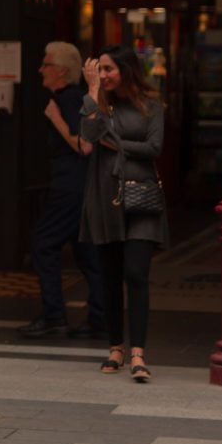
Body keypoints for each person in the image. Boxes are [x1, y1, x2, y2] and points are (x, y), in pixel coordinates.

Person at [78, 46, 166, 383]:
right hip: (104, 196)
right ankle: (116, 348)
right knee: (110, 275)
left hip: (141, 196)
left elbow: (154, 148)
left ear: (126, 70)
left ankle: (138, 354)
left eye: (108, 70)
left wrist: (115, 143)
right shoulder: (97, 103)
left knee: (136, 273)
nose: (103, 76)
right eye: (98, 70)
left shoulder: (151, 104)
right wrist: (91, 93)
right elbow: (86, 144)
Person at [18, 43, 105, 339]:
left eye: (46, 64)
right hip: (80, 186)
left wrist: (54, 118)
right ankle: (100, 317)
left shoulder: (67, 99)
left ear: (62, 71)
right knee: (86, 252)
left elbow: (83, 145)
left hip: (69, 186)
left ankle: (54, 315)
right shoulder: (72, 97)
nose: (41, 69)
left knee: (43, 243)